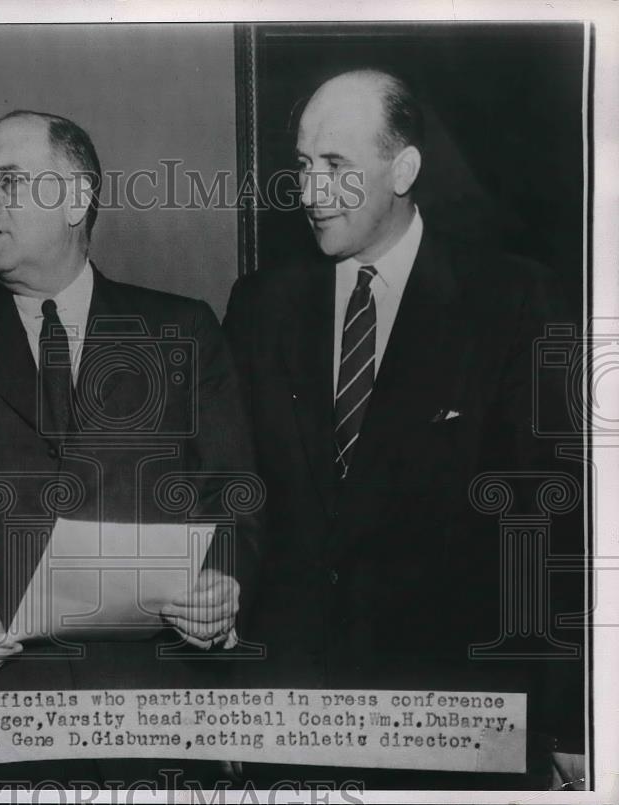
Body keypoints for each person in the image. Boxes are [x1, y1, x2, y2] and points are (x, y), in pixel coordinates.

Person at [0, 110, 261, 784]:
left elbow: (236, 496)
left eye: (10, 180)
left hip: (158, 727)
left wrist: (222, 585)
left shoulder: (184, 330)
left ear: (77, 198)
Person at [223, 69, 585, 789]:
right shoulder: (261, 305)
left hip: (452, 719)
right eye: (302, 166)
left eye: (336, 167)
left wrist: (567, 717)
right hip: (291, 722)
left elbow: (549, 524)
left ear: (404, 168)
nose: (311, 192)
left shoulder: (511, 299)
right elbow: (235, 497)